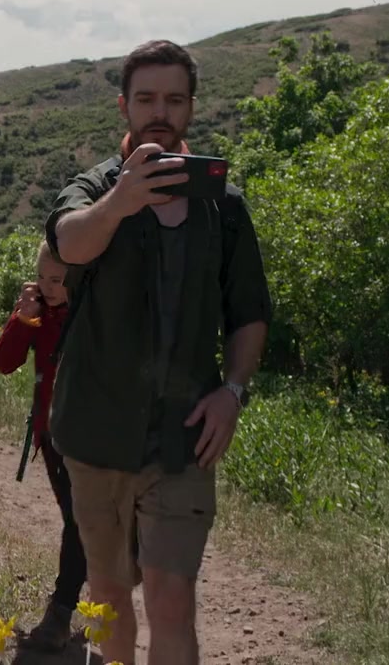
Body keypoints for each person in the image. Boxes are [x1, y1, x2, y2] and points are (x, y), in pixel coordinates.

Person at [43, 39, 273, 665]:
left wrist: (234, 392)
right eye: (146, 99)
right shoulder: (94, 189)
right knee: (109, 595)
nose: (160, 113)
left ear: (192, 107)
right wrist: (123, 200)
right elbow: (69, 244)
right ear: (124, 106)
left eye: (174, 99)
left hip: (184, 438)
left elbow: (249, 313)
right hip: (96, 433)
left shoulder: (222, 206)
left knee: (173, 600)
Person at [0, 239, 85, 651]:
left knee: (86, 523)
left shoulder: (91, 313)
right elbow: (3, 361)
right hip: (52, 439)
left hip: (95, 439)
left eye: (57, 279)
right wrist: (22, 320)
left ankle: (66, 609)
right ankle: (63, 612)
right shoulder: (38, 316)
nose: (47, 286)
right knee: (77, 521)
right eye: (42, 277)